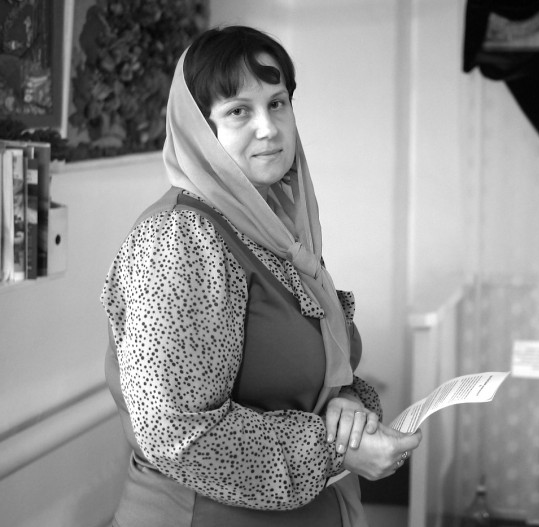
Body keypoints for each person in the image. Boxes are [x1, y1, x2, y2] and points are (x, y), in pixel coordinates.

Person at [101, 25, 421, 527]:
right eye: (238, 111)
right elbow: (177, 431)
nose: (269, 128)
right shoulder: (181, 239)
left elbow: (304, 372)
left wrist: (345, 407)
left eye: (277, 103)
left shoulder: (272, 227)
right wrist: (336, 449)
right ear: (199, 130)